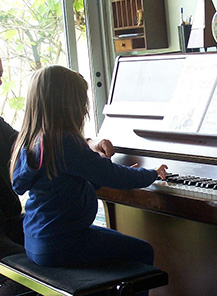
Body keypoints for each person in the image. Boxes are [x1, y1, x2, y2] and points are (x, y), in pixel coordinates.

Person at [9, 65, 167, 280]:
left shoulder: (32, 141)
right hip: (63, 243)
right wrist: (151, 174)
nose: (84, 108)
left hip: (38, 241)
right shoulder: (65, 141)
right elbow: (112, 175)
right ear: (67, 104)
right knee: (142, 251)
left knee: (117, 241)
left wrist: (108, 173)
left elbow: (68, 185)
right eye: (82, 101)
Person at [0, 58, 117, 295]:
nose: (0, 82)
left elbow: (37, 145)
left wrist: (89, 145)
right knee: (62, 258)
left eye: (0, 76)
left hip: (11, 224)